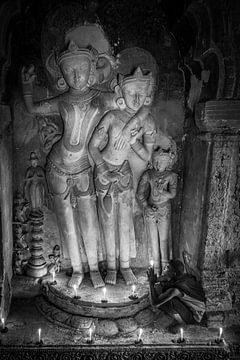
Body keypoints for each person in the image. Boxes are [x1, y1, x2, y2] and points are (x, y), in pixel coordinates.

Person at [21, 40, 111, 288]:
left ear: (91, 71)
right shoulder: (61, 101)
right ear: (62, 76)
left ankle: (94, 270)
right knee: (67, 224)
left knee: (89, 221)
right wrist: (27, 86)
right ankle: (78, 270)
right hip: (57, 167)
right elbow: (31, 109)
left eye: (81, 69)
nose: (76, 76)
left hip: (83, 165)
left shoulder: (101, 98)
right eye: (69, 71)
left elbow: (129, 102)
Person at [89, 66, 156, 285]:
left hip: (124, 172)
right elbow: (93, 147)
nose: (136, 98)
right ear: (120, 93)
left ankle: (125, 266)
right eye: (130, 92)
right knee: (107, 221)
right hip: (104, 170)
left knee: (125, 221)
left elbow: (147, 156)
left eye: (141, 93)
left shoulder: (147, 122)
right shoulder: (112, 117)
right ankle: (110, 266)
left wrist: (134, 139)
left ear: (147, 95)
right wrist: (101, 168)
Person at [137, 145, 177, 276]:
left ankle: (165, 270)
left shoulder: (171, 176)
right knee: (153, 240)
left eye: (163, 163)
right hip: (150, 209)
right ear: (154, 162)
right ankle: (156, 269)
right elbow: (140, 194)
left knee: (164, 239)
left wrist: (163, 192)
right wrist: (146, 206)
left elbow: (172, 194)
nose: (160, 165)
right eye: (158, 162)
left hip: (164, 209)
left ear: (169, 163)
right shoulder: (148, 174)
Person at [147, 259, 205, 331]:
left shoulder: (174, 290)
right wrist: (154, 279)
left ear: (173, 273)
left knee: (168, 301)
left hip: (195, 317)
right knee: (163, 289)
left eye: (167, 267)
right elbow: (166, 278)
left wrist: (150, 283)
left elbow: (154, 304)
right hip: (197, 310)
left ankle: (182, 323)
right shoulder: (184, 276)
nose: (164, 268)